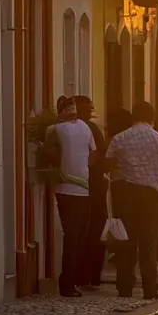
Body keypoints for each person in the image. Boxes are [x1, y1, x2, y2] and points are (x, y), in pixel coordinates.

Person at [106, 101, 158, 299]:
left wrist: (123, 171)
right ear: (152, 117)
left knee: (125, 240)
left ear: (133, 117)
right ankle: (150, 288)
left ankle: (125, 286)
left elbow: (109, 164)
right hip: (150, 196)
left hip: (124, 193)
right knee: (148, 242)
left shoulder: (120, 138)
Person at [49, 97, 97, 298]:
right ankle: (71, 282)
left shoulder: (56, 129)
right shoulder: (84, 128)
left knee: (72, 237)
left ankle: (68, 282)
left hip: (68, 187)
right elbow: (93, 155)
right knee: (76, 237)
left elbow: (48, 152)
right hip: (79, 188)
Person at [74, 96, 108, 292]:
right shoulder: (92, 130)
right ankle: (91, 275)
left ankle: (85, 274)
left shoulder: (77, 130)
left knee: (86, 232)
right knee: (93, 232)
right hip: (93, 187)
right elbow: (100, 158)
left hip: (86, 187)